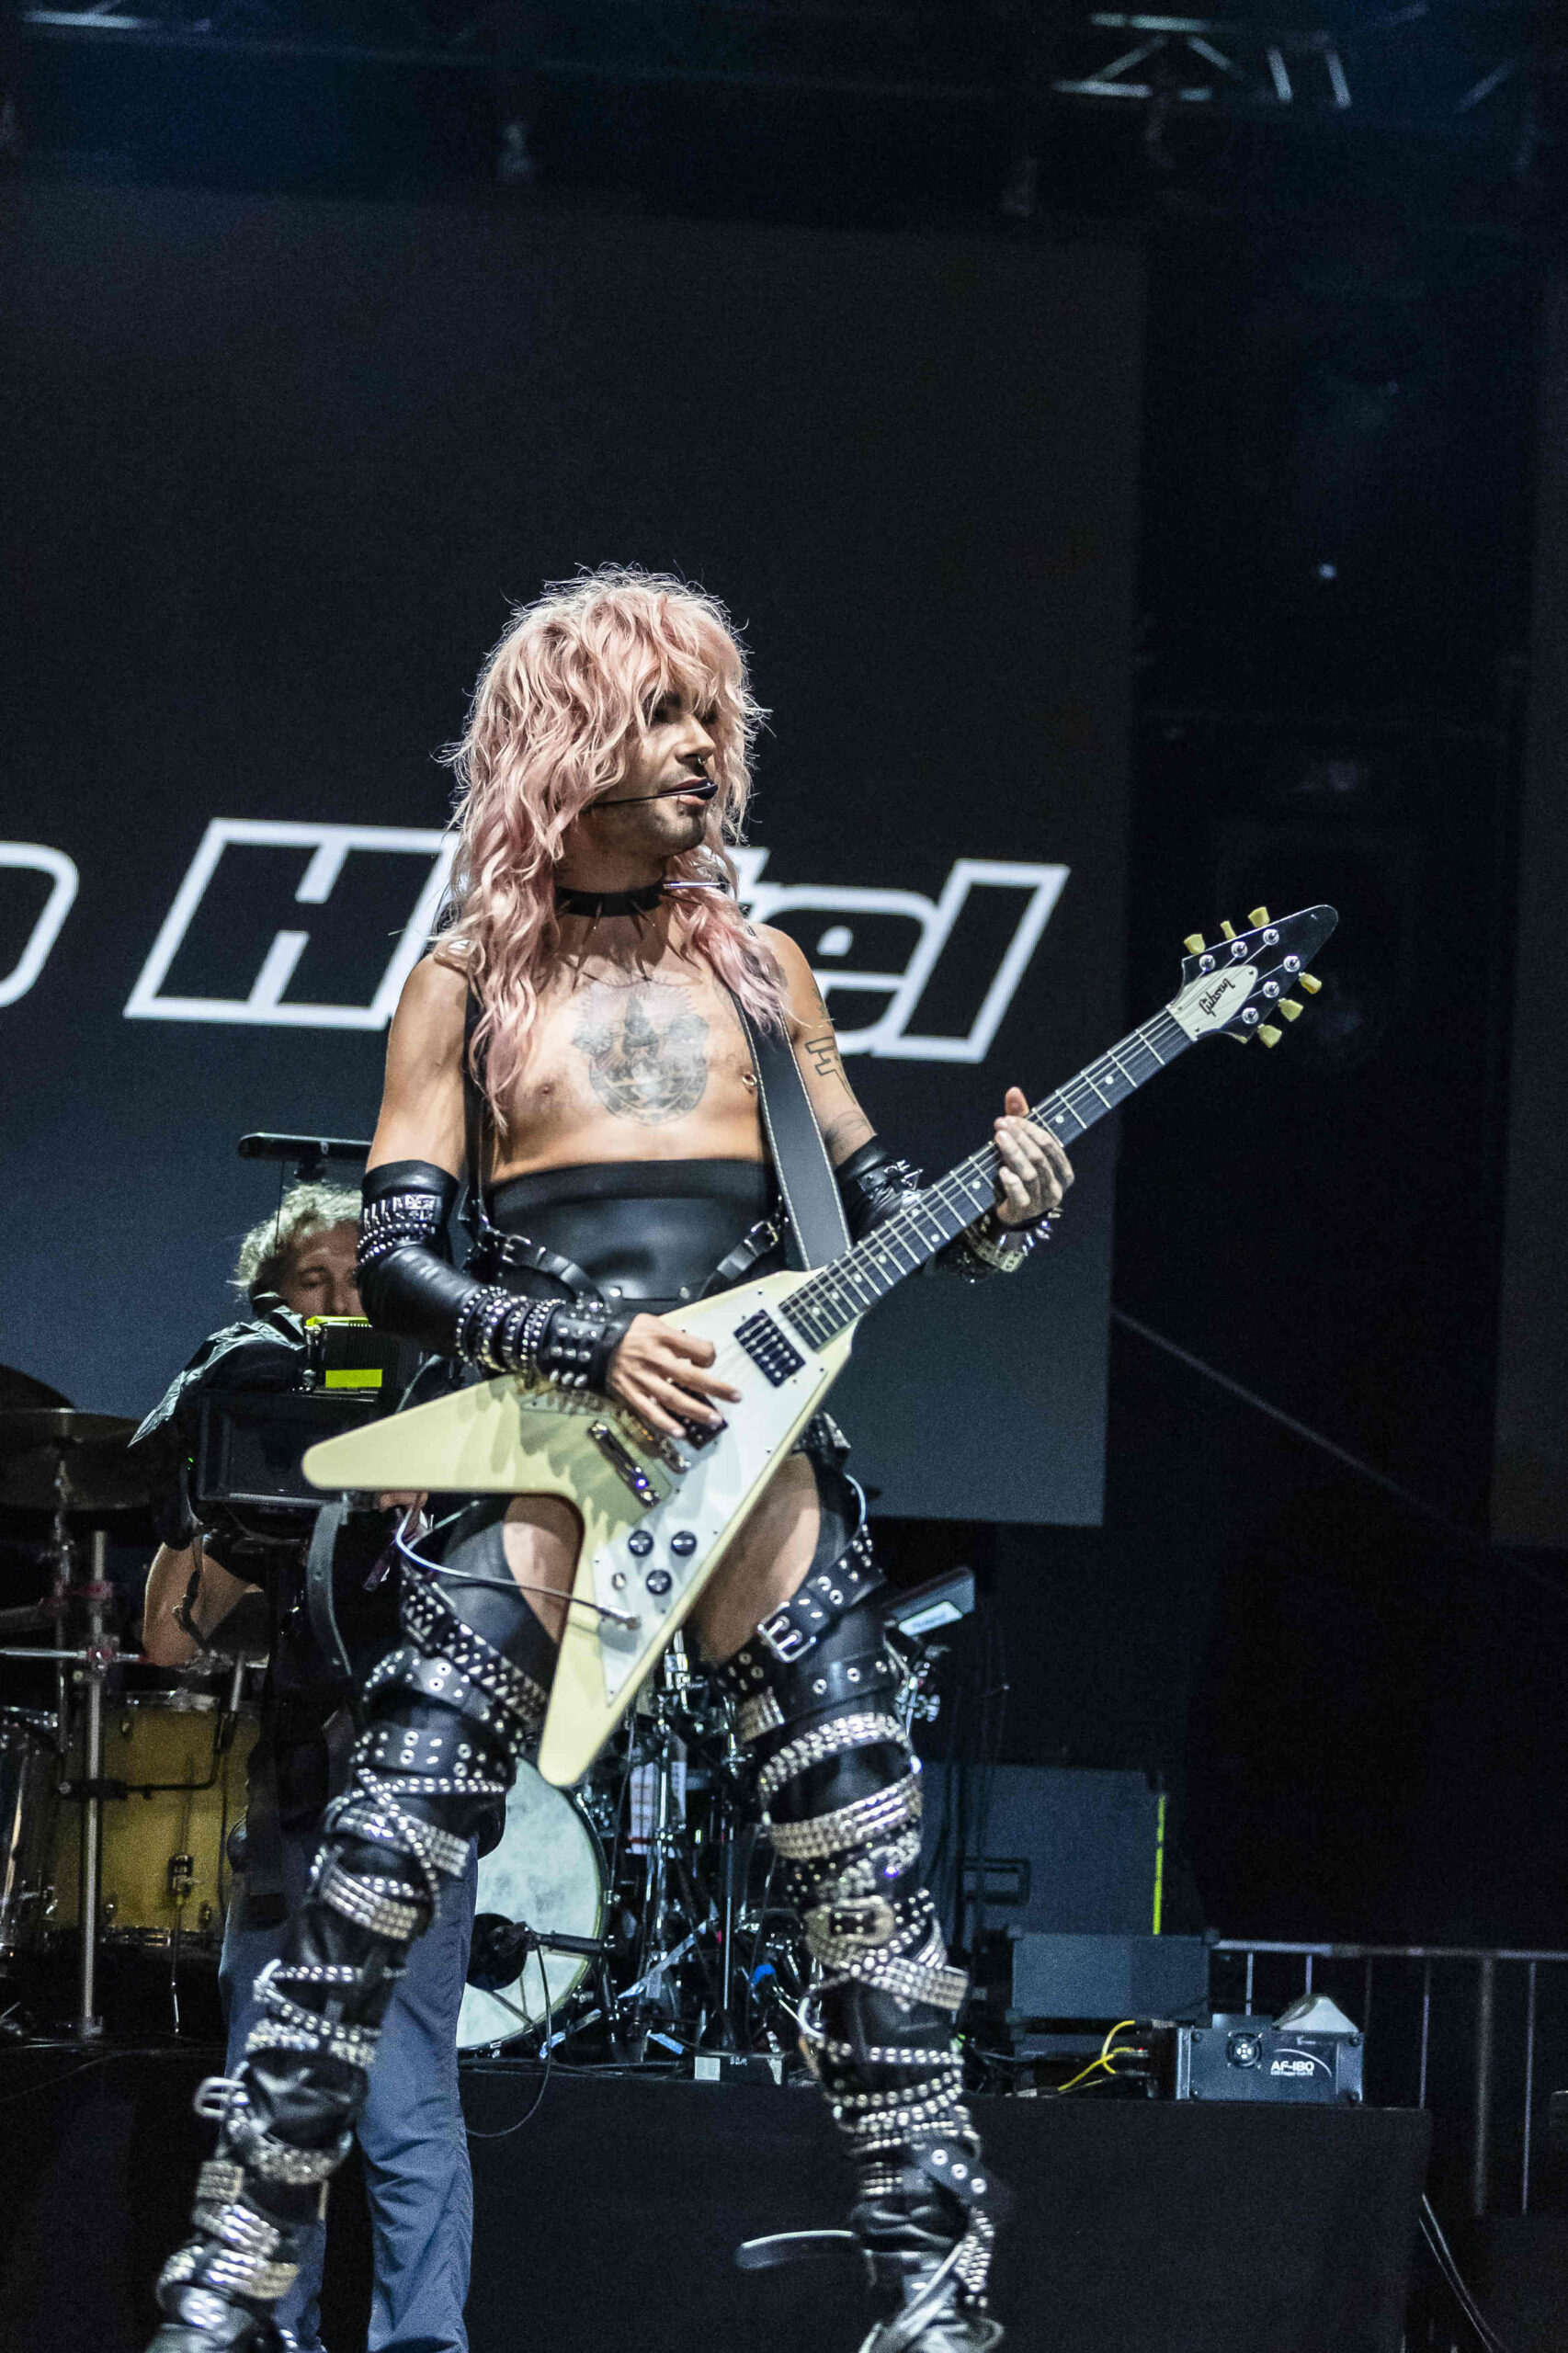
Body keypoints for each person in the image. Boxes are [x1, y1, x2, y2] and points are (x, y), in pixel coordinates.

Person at [149, 568, 1071, 2353]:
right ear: (570, 736)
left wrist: (1007, 1212)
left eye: (722, 718)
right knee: (374, 1866)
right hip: (556, 1437)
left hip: (757, 1453)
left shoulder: (762, 966)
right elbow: (404, 1246)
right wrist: (582, 1342)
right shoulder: (467, 977)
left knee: (866, 1877)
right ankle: (228, 2281)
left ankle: (938, 2303)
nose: (708, 749)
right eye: (669, 713)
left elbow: (888, 1204)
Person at [142, 1184, 478, 2353]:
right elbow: (173, 1638)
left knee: (400, 2098)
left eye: (358, 1281)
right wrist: (222, 1507)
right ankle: (261, 2331)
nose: (338, 1306)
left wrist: (411, 1500)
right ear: (270, 1308)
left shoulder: (459, 1434)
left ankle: (421, 2342)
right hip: (287, 1800)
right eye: (310, 1285)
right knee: (266, 2092)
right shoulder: (257, 1440)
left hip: (408, 1797)